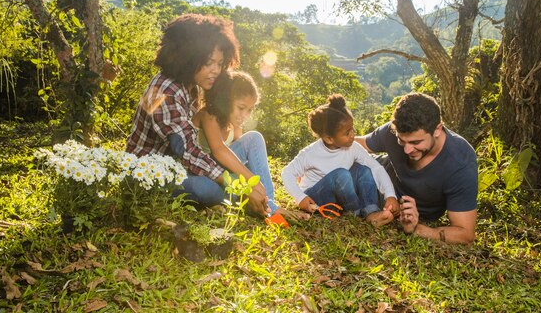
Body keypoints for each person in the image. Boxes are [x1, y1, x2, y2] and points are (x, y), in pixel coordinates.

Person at [126, 13, 269, 215]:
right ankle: (251, 202)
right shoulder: (162, 92)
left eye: (219, 64)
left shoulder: (189, 83)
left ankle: (267, 202)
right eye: (209, 62)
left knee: (251, 141)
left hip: (182, 166)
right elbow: (187, 151)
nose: (215, 71)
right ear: (189, 57)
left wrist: (245, 180)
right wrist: (243, 186)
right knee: (204, 188)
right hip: (152, 174)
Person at [355, 92, 478, 244]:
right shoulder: (392, 132)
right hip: (375, 178)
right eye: (402, 141)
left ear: (437, 130)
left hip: (408, 212)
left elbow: (465, 234)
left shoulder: (460, 162)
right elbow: (359, 144)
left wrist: (417, 229)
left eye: (416, 142)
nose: (407, 150)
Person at [281, 94, 399, 226]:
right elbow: (287, 173)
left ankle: (371, 211)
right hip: (316, 198)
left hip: (341, 197)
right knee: (340, 174)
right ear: (329, 138)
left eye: (352, 129)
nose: (353, 134)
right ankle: (357, 213)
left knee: (364, 169)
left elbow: (375, 168)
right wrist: (300, 197)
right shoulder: (310, 153)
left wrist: (390, 195)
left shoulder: (354, 147)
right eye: (347, 133)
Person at [192, 70, 286, 217]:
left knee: (254, 138)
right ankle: (266, 207)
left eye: (250, 110)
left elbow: (237, 161)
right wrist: (253, 182)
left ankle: (267, 205)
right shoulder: (208, 115)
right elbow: (219, 150)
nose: (245, 115)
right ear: (225, 100)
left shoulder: (234, 124)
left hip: (223, 174)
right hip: (203, 171)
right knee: (204, 188)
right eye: (241, 108)